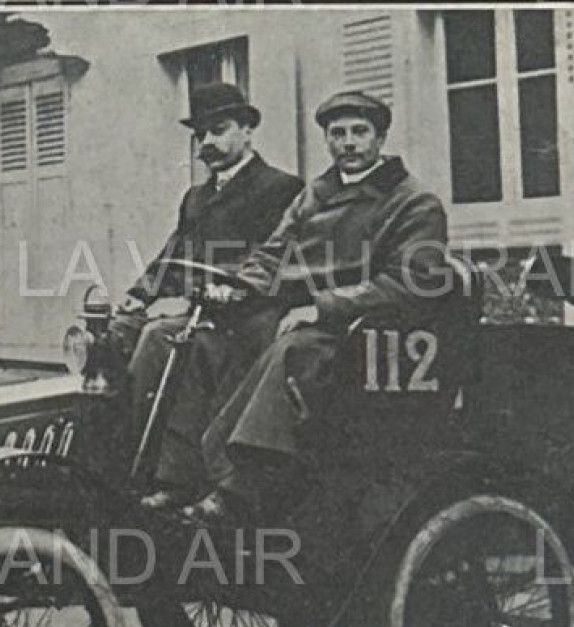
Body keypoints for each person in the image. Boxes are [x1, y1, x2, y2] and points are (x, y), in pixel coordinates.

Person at [185, 89, 452, 522]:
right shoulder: (314, 194)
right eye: (337, 133)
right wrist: (239, 288)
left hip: (371, 334)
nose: (348, 143)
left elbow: (411, 284)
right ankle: (191, 475)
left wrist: (323, 306)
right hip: (313, 318)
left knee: (294, 349)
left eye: (359, 133)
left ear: (380, 139)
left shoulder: (413, 202)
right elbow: (273, 254)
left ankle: (239, 489)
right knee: (207, 339)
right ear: (326, 140)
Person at [114, 82, 302, 507]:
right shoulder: (196, 197)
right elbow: (173, 253)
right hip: (202, 308)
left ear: (248, 130)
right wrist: (138, 296)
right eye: (201, 136)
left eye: (219, 130)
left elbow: (281, 256)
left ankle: (183, 478)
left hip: (254, 313)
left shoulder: (281, 188)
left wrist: (233, 288)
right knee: (119, 336)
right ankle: (127, 461)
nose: (208, 144)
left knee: (167, 340)